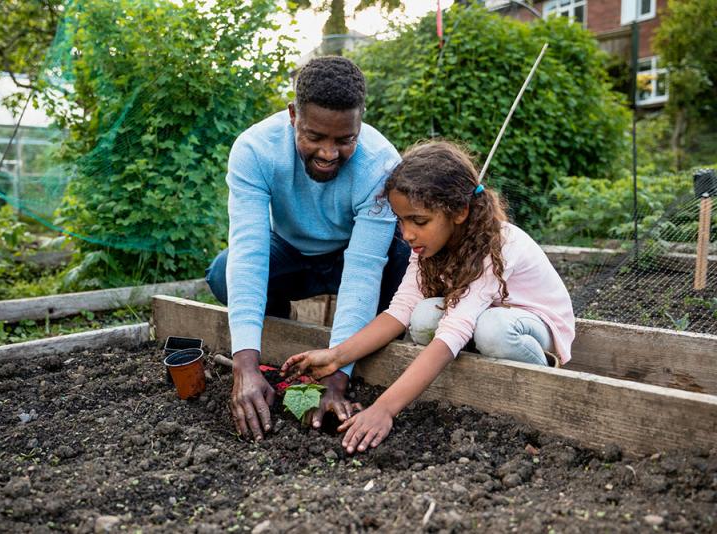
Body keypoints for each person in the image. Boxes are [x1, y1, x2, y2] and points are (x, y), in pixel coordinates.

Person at [281, 140, 575, 454]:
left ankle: (544, 372)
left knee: (492, 330)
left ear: (459, 212)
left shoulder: (496, 244)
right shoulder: (427, 249)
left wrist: (384, 408)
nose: (407, 234)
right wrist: (336, 356)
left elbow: (455, 329)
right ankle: (479, 373)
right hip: (482, 318)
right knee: (421, 316)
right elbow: (401, 310)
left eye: (419, 221)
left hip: (533, 327)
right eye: (402, 220)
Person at [205, 56, 410, 441]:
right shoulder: (255, 150)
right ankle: (274, 349)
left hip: (353, 254)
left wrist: (336, 380)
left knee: (404, 254)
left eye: (344, 140)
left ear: (359, 125)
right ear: (292, 116)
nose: (329, 153)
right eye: (315, 137)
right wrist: (244, 364)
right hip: (291, 251)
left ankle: (378, 348)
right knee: (223, 272)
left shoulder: (380, 165)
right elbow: (249, 251)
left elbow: (363, 271)